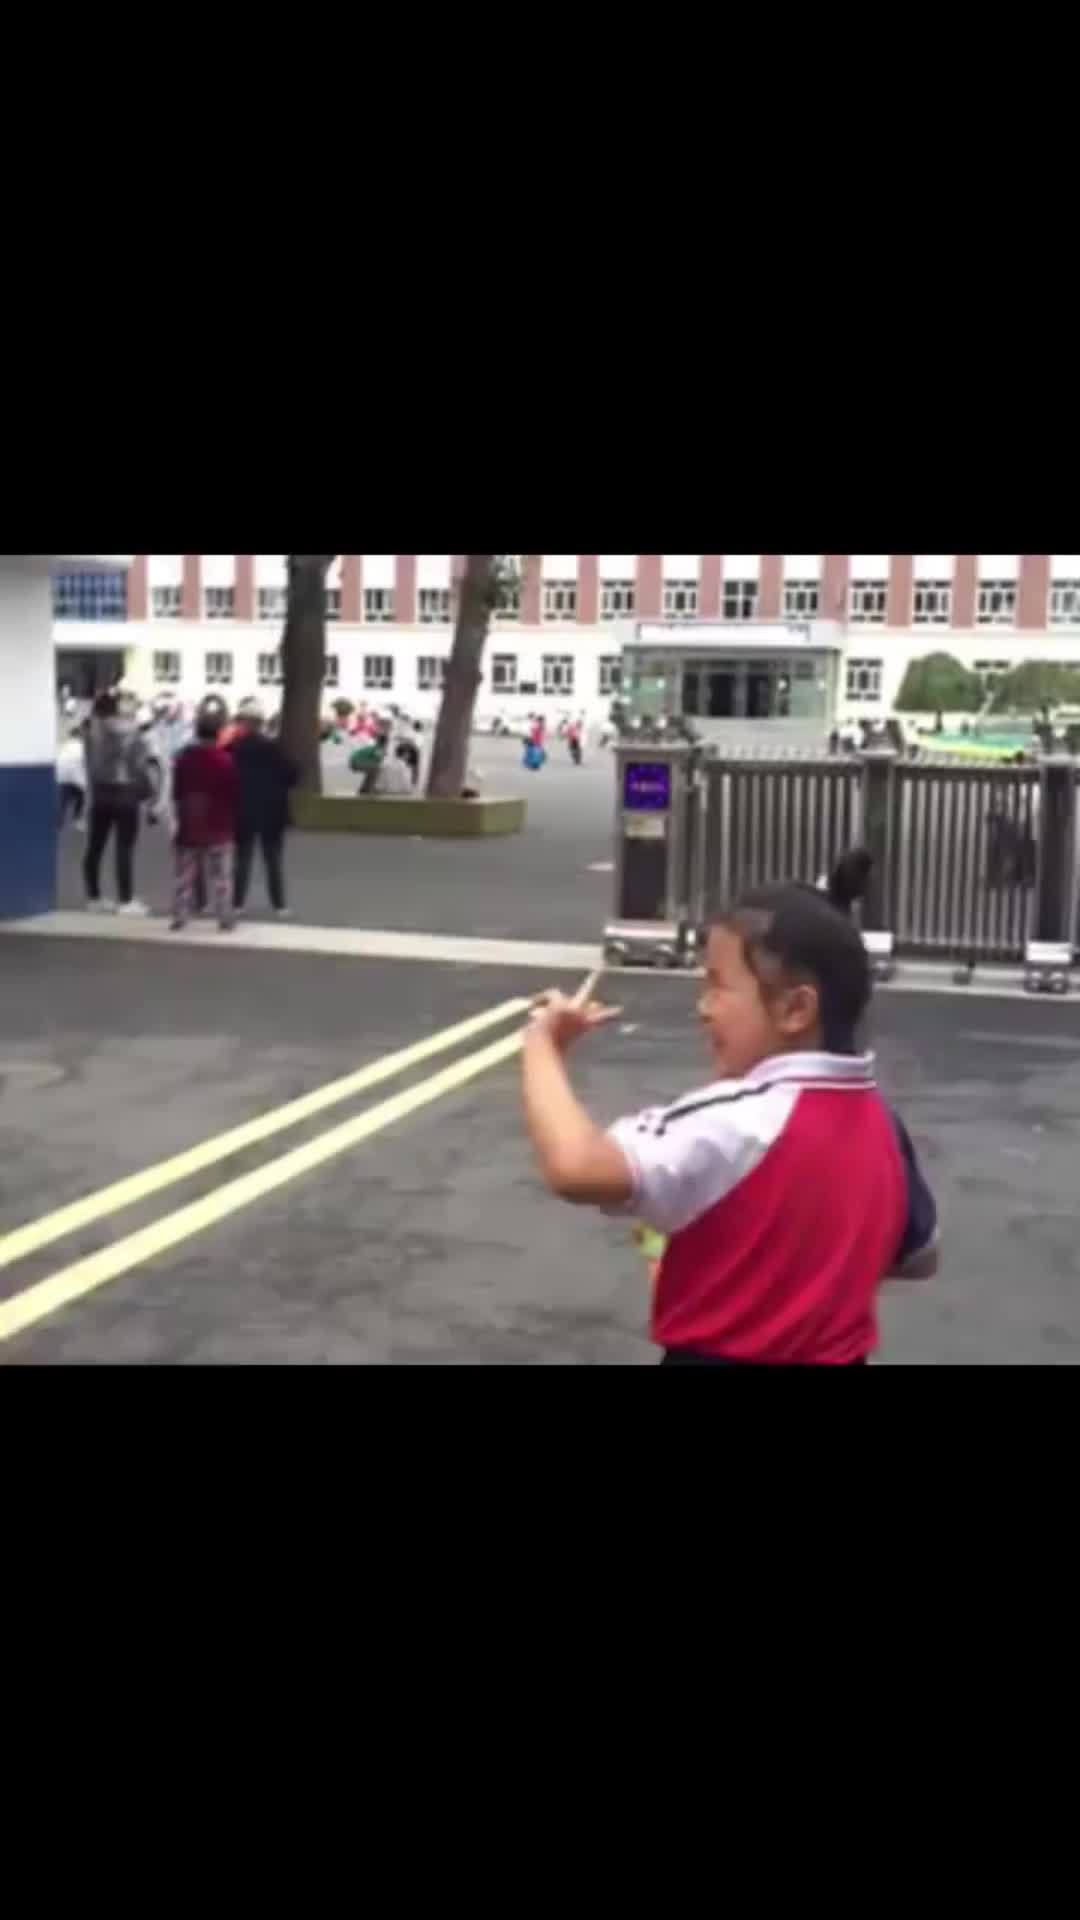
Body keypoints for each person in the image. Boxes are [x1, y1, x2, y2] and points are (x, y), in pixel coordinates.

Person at [521, 860, 938, 1367]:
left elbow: (576, 1167)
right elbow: (918, 1256)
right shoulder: (884, 1128)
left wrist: (542, 1044)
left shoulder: (737, 1121)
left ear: (795, 1010)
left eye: (716, 986)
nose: (703, 1007)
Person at [83, 690, 153, 915]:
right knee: (124, 848)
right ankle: (126, 900)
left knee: (95, 846)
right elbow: (139, 765)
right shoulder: (132, 732)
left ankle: (93, 898)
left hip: (100, 792)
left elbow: (88, 765)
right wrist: (148, 792)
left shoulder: (90, 732)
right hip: (125, 793)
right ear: (116, 708)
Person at [170, 705, 239, 932]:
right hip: (219, 824)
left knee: (184, 874)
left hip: (190, 822)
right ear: (218, 734)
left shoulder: (184, 759)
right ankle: (225, 916)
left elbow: (177, 791)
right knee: (222, 876)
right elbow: (233, 792)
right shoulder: (226, 760)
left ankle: (181, 914)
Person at [228, 699, 297, 916]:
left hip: (243, 808)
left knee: (242, 858)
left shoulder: (234, 748)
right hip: (272, 809)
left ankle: (237, 903)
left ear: (245, 722)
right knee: (273, 859)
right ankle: (279, 904)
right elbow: (292, 775)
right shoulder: (274, 748)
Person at [57, 725, 87, 830]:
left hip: (62, 777)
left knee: (63, 801)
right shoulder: (81, 746)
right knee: (83, 796)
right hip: (76, 777)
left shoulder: (63, 746)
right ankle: (77, 819)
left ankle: (58, 823)